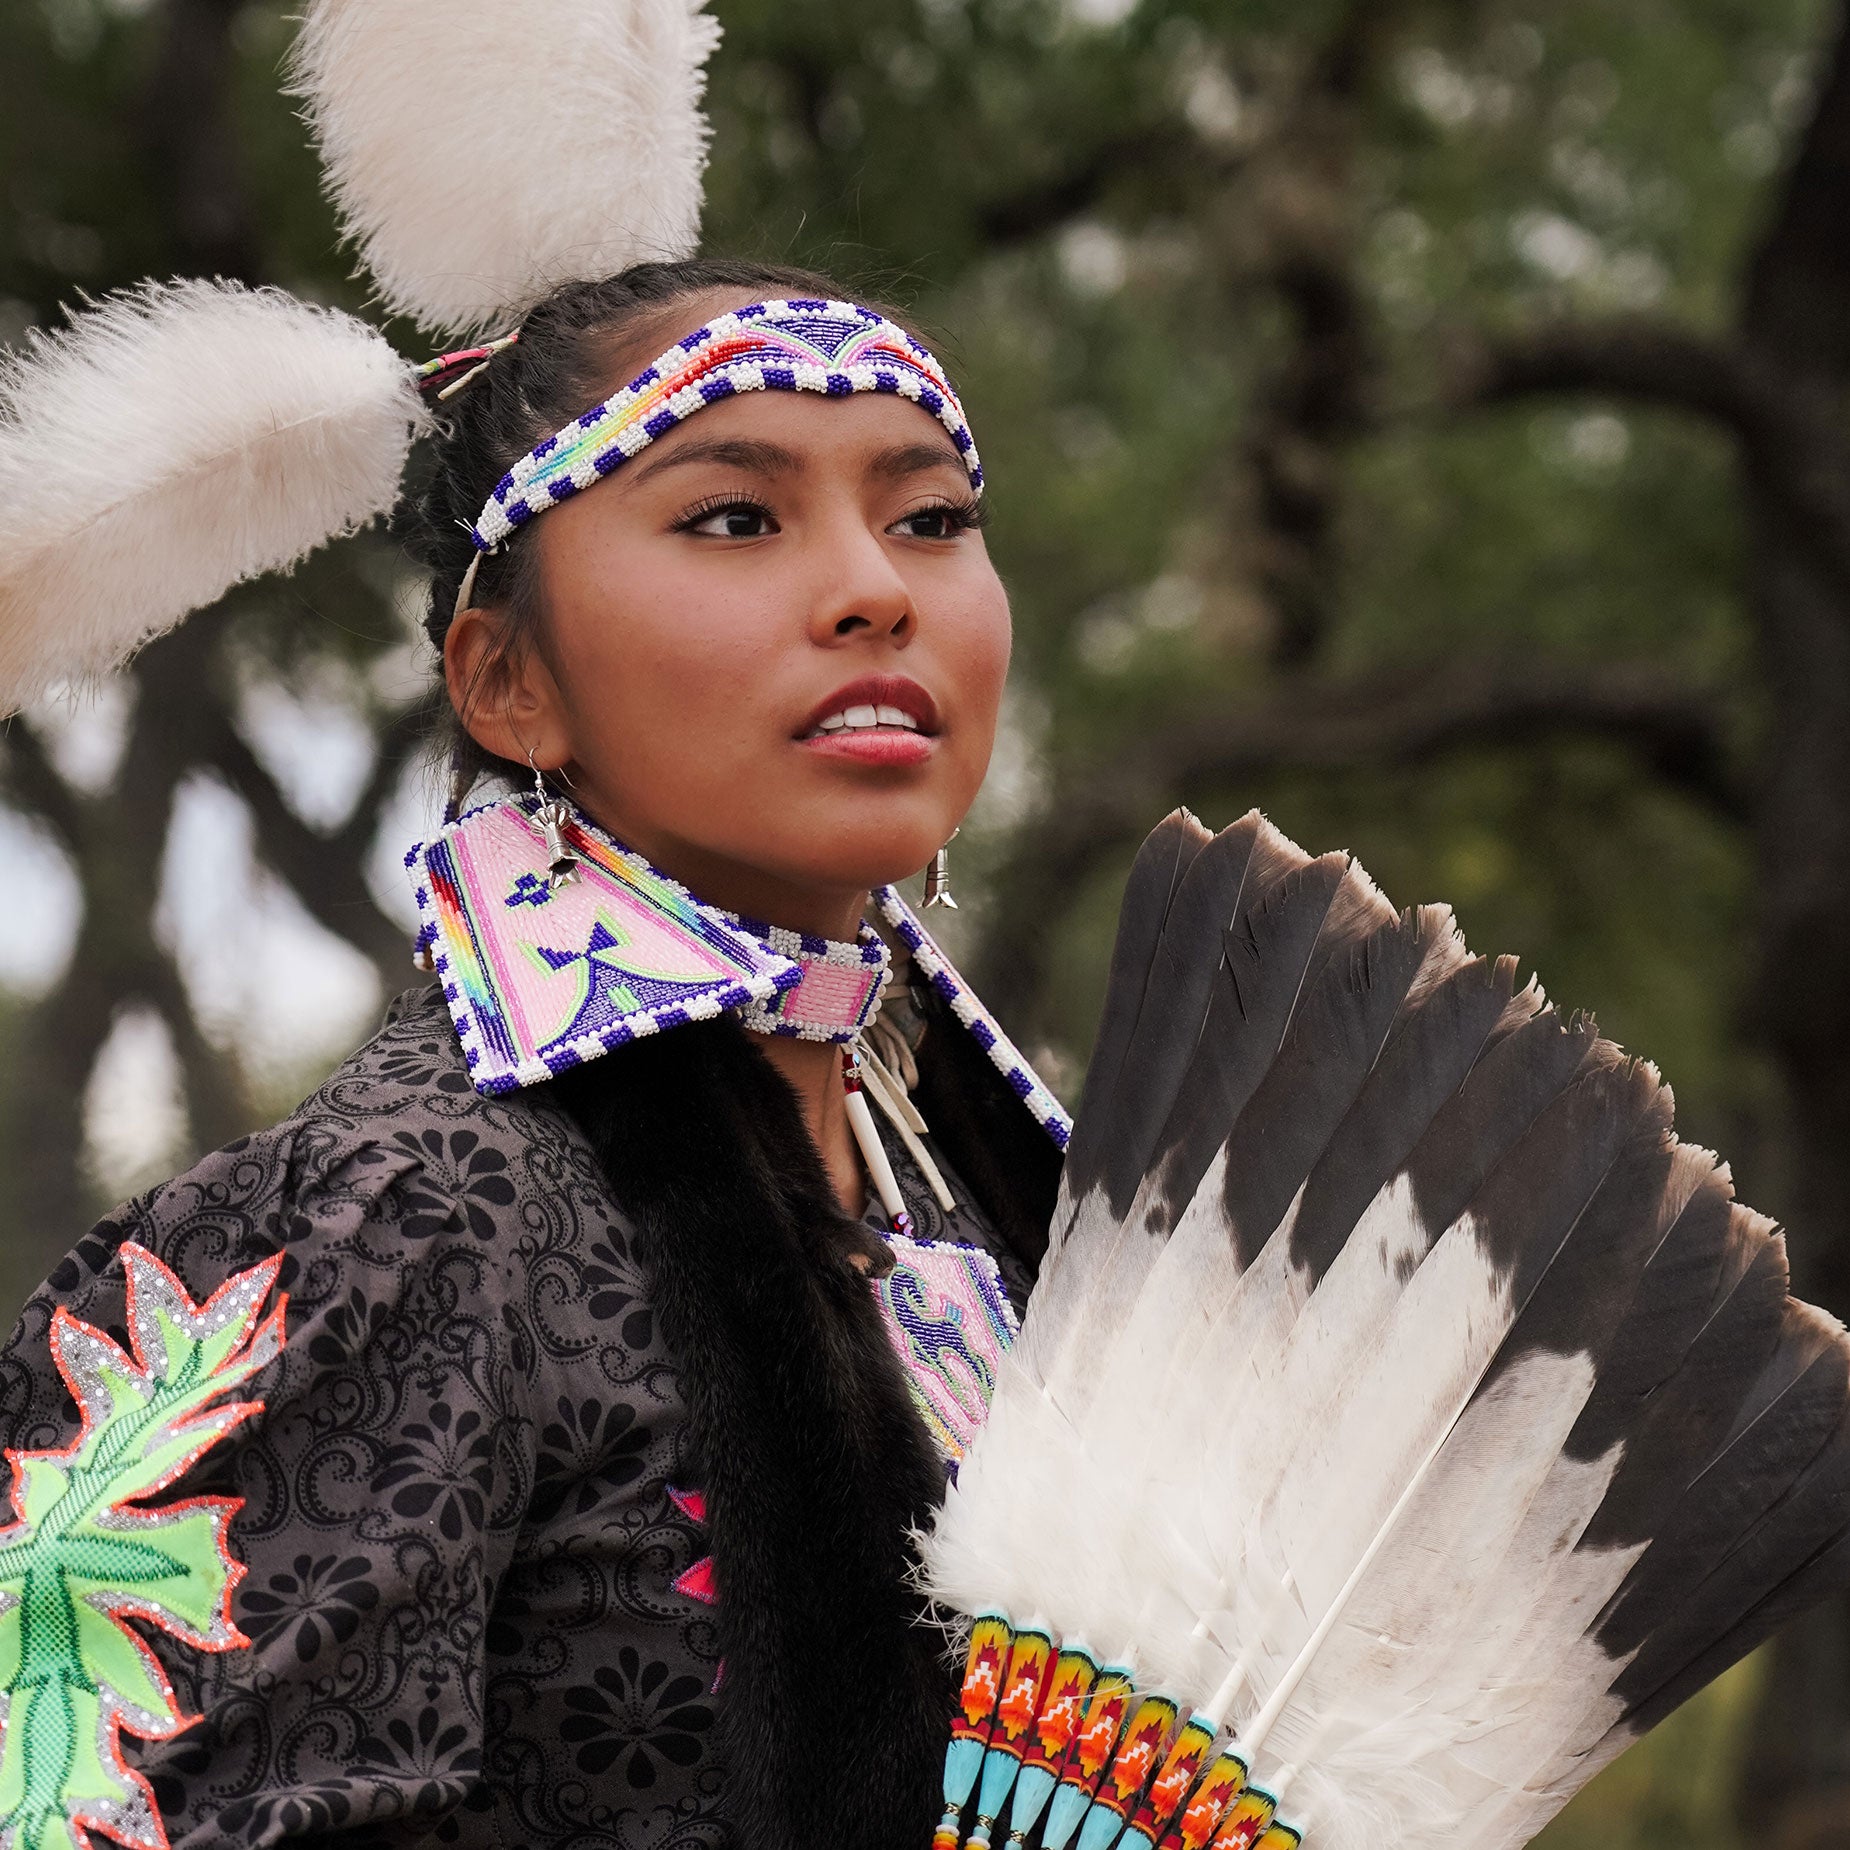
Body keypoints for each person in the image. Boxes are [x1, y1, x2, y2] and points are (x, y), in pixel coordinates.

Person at [0, 259, 1066, 1850]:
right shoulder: (393, 1225)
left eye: (927, 517)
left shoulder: (987, 1199)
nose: (874, 589)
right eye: (733, 518)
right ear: (506, 680)